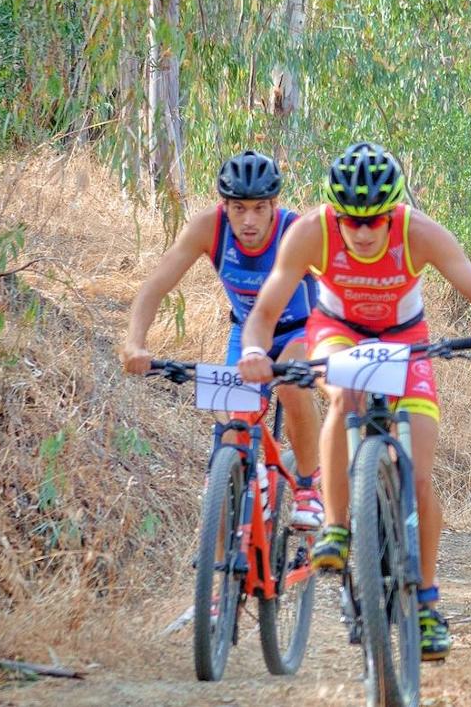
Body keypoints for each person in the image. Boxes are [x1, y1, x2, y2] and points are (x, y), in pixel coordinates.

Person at [237, 142, 471, 661]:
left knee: (422, 477)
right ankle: (337, 528)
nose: (362, 233)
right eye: (351, 221)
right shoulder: (311, 232)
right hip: (338, 334)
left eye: (375, 221)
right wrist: (254, 348)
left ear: (393, 213)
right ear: (335, 214)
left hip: (408, 344)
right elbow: (267, 308)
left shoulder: (420, 233)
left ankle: (427, 602)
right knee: (343, 395)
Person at [121, 150, 324, 529]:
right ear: (224, 206)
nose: (249, 220)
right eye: (239, 208)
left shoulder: (294, 232)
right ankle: (232, 527)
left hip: (300, 328)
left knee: (294, 385)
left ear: (274, 206)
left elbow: (336, 284)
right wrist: (135, 342)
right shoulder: (207, 229)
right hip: (246, 333)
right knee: (234, 429)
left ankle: (309, 488)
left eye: (260, 208)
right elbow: (154, 287)